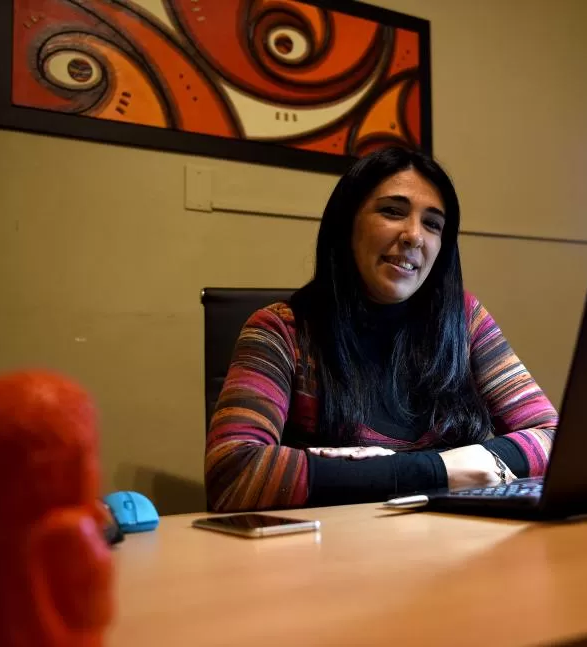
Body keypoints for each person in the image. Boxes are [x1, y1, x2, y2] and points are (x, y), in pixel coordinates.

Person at [205, 147, 558, 512]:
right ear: (347, 223)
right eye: (392, 211)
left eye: (433, 224)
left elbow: (552, 437)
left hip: (454, 546)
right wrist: (444, 469)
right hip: (329, 555)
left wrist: (375, 470)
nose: (414, 236)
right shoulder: (280, 331)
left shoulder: (464, 321)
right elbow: (233, 473)